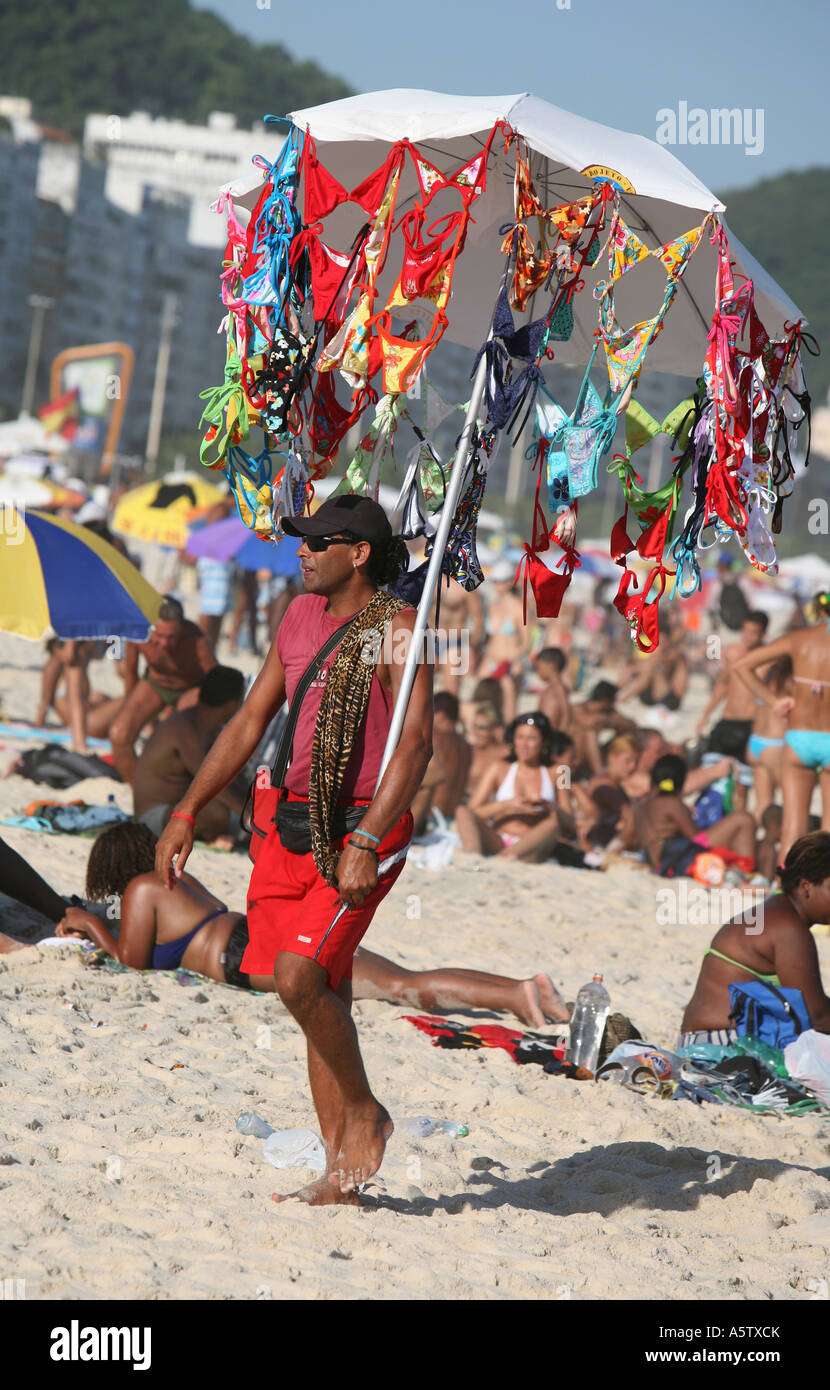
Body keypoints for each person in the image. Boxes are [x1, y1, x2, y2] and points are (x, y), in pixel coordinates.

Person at [154, 495, 433, 1206]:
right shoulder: (298, 615)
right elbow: (252, 718)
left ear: (359, 553)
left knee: (297, 976)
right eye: (301, 541)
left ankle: (366, 1111)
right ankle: (342, 1176)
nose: (301, 552)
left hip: (363, 828)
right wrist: (188, 808)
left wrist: (368, 838)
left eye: (317, 542)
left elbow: (417, 742)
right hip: (291, 825)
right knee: (321, 991)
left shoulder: (398, 630)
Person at [51, 823, 569, 1027]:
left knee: (396, 986)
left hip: (251, 956)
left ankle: (519, 995)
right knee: (399, 978)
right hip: (263, 932)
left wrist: (88, 925)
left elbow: (133, 964)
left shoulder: (143, 889)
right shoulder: (175, 880)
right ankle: (524, 990)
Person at [678, 831, 830, 1045]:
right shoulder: (789, 929)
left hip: (699, 1040)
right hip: (718, 1044)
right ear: (806, 886)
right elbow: (817, 1017)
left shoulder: (776, 911)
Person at [732, 593, 830, 859]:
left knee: (792, 828)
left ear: (818, 612)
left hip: (799, 737)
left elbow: (742, 666)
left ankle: (783, 892)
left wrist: (773, 700)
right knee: (828, 832)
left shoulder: (800, 639)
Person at [133, 666, 246, 844]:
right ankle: (213, 838)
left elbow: (227, 780)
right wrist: (248, 814)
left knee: (244, 799)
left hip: (177, 807)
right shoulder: (184, 728)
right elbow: (208, 781)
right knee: (216, 814)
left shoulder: (205, 726)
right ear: (231, 705)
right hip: (153, 816)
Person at [111, 597, 217, 785]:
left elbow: (217, 680)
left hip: (191, 687)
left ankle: (182, 789)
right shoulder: (138, 633)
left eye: (171, 637)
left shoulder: (196, 640)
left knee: (177, 736)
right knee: (119, 733)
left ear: (181, 628)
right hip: (155, 683)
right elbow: (131, 674)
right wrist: (135, 714)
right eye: (158, 636)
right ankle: (140, 792)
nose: (164, 643)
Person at [456, 712, 561, 860]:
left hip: (533, 845)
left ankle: (505, 857)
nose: (524, 744)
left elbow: (570, 821)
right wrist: (507, 805)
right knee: (462, 810)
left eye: (531, 738)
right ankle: (473, 856)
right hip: (499, 840)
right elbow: (473, 812)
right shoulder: (498, 767)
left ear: (544, 742)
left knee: (552, 824)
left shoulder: (562, 771)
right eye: (519, 737)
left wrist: (550, 806)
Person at [634, 753, 757, 877]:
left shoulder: (644, 804)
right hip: (674, 862)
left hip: (661, 861)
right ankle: (745, 873)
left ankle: (743, 869)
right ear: (682, 780)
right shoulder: (671, 803)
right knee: (743, 819)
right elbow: (697, 838)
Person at [696, 610, 770, 762]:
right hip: (727, 720)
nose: (747, 636)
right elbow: (723, 685)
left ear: (764, 634)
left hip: (752, 723)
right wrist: (706, 714)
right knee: (711, 766)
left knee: (742, 779)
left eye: (753, 632)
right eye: (745, 631)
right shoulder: (732, 653)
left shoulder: (769, 659)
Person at [411, 691, 471, 834]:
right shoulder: (466, 746)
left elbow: (438, 775)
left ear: (441, 715)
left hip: (427, 818)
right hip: (449, 819)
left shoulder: (433, 736)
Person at [480, 562, 528, 724]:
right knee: (482, 702)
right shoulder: (492, 605)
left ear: (509, 582)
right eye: (494, 581)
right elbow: (490, 638)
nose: (496, 585)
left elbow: (527, 641)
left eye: (499, 581)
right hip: (491, 660)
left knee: (508, 709)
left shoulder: (518, 607)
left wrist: (516, 659)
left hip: (510, 661)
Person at [746, 656, 792, 823]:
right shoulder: (788, 685)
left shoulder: (765, 683)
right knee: (792, 802)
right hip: (775, 745)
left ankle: (754, 843)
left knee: (763, 804)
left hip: (755, 743)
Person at [465, 704, 508, 799]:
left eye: (482, 728)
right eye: (475, 726)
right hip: (466, 802)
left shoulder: (506, 754)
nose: (477, 732)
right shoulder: (468, 751)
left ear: (495, 729)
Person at [533, 647, 570, 731]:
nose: (538, 672)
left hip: (552, 732)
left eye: (538, 668)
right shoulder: (551, 687)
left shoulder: (558, 687)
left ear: (551, 665)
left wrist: (561, 733)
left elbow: (565, 712)